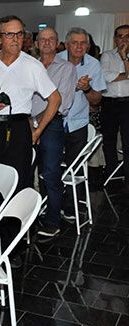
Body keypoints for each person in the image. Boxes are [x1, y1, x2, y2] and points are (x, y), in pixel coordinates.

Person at [0, 16, 60, 194]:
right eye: (9, 34)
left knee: (18, 183)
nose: (15, 39)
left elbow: (55, 99)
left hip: (18, 129)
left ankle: (18, 213)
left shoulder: (33, 65)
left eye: (19, 34)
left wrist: (38, 130)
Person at [56, 27, 106, 221]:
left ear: (88, 45)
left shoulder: (93, 64)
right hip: (54, 121)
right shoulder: (56, 60)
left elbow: (96, 100)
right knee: (50, 166)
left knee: (74, 168)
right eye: (74, 43)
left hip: (77, 123)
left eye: (83, 43)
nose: (79, 46)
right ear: (67, 45)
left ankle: (70, 207)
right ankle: (50, 205)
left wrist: (86, 89)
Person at [33, 27, 76, 239]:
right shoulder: (30, 65)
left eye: (51, 39)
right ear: (36, 43)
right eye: (43, 39)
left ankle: (53, 221)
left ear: (58, 43)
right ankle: (36, 212)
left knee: (50, 173)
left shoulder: (67, 68)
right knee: (30, 172)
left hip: (52, 125)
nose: (47, 42)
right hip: (27, 125)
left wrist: (36, 122)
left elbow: (61, 103)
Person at [100, 24, 129, 191]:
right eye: (120, 36)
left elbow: (112, 76)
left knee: (127, 142)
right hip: (109, 103)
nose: (123, 40)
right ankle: (112, 175)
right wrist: (126, 75)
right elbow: (105, 76)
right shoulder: (107, 55)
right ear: (115, 39)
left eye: (127, 36)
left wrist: (124, 57)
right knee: (109, 140)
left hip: (127, 103)